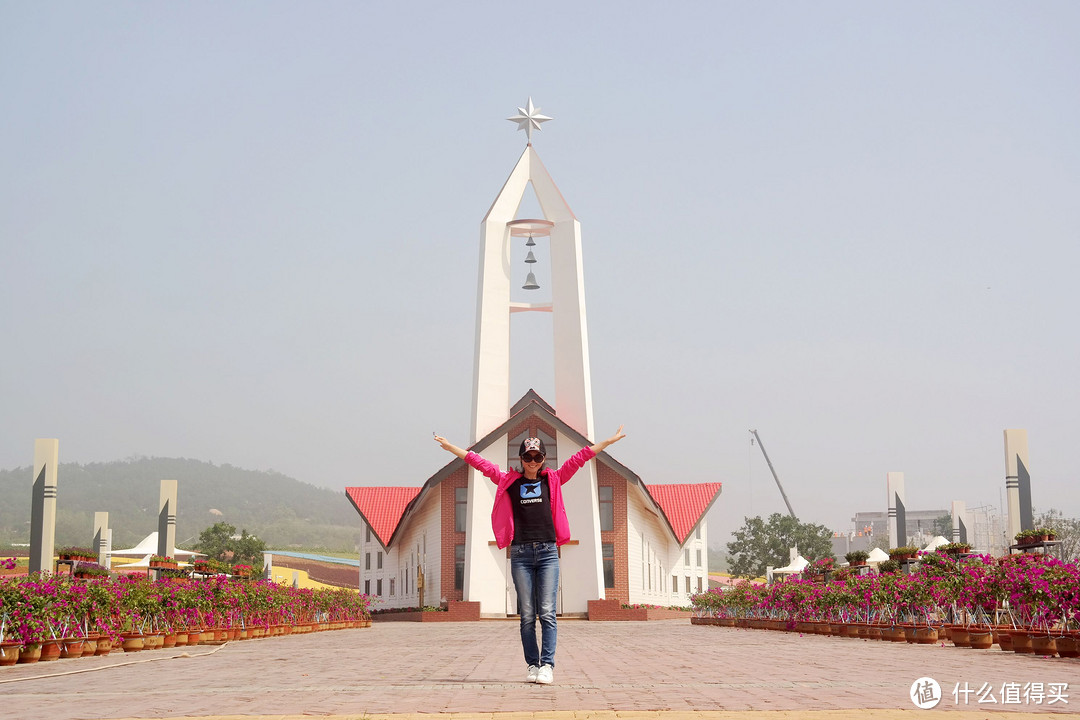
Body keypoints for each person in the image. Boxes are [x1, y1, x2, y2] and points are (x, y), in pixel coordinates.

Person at [433, 426, 626, 684]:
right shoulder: (508, 481)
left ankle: (547, 665)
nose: (532, 462)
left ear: (543, 459)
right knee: (526, 615)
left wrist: (608, 441)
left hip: (547, 553)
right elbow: (479, 463)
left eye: (537, 457)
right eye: (528, 457)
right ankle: (532, 666)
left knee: (546, 612)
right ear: (521, 459)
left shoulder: (553, 480)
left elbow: (580, 459)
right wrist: (452, 448)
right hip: (521, 554)